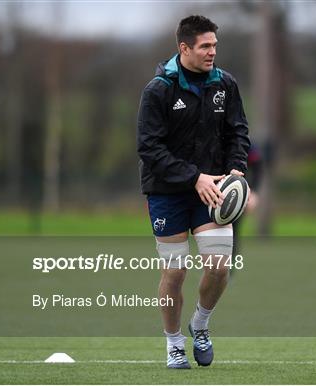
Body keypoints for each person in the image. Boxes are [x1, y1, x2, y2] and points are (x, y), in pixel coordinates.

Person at [136, 15, 250, 369]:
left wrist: (236, 169)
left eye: (215, 45)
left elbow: (238, 132)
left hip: (213, 189)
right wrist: (193, 177)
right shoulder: (158, 90)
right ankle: (173, 343)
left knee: (218, 265)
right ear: (184, 48)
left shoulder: (225, 84)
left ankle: (199, 324)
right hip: (167, 192)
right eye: (205, 46)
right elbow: (149, 148)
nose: (213, 51)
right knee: (176, 272)